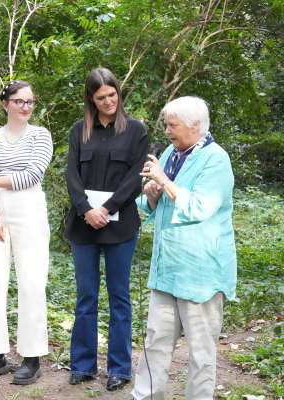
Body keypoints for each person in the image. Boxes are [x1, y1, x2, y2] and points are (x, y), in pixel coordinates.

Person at [131, 96, 236, 400]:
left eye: (172, 125)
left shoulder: (216, 159)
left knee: (201, 351)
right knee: (155, 340)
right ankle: (145, 396)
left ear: (195, 126)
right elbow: (156, 204)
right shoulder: (170, 154)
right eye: (166, 124)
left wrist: (163, 181)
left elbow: (201, 207)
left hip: (200, 271)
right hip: (167, 268)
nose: (167, 130)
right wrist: (152, 194)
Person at [65, 67, 148, 391]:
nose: (109, 101)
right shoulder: (79, 131)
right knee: (86, 296)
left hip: (120, 228)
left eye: (113, 95)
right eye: (102, 98)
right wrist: (87, 210)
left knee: (119, 298)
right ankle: (83, 365)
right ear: (91, 100)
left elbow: (135, 179)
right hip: (84, 227)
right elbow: (72, 175)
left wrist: (107, 209)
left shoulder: (136, 131)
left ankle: (119, 369)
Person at [0, 80, 53, 385]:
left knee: (31, 282)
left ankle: (31, 357)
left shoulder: (40, 136)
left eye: (30, 102)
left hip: (29, 208)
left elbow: (32, 174)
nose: (25, 107)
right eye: (19, 101)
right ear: (5, 103)